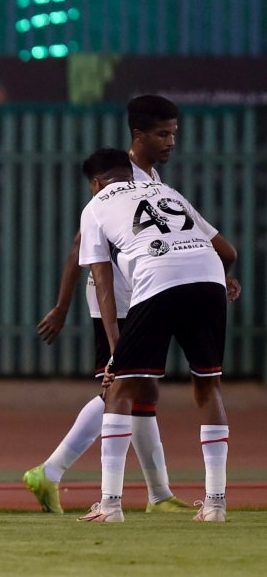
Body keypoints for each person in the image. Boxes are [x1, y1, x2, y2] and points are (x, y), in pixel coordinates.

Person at [24, 95, 240, 513]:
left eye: (174, 133)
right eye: (163, 133)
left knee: (140, 388)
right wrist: (63, 305)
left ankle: (152, 495)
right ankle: (52, 471)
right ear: (137, 136)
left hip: (154, 284)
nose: (171, 141)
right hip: (125, 295)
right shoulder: (123, 180)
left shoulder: (154, 179)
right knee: (121, 385)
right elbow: (82, 250)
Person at [75, 147, 237, 523]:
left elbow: (103, 284)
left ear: (96, 184)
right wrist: (218, 280)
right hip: (209, 275)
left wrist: (117, 354)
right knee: (209, 386)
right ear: (129, 176)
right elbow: (224, 249)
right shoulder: (167, 192)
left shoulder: (95, 206)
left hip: (157, 276)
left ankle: (110, 506)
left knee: (120, 389)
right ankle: (215, 505)